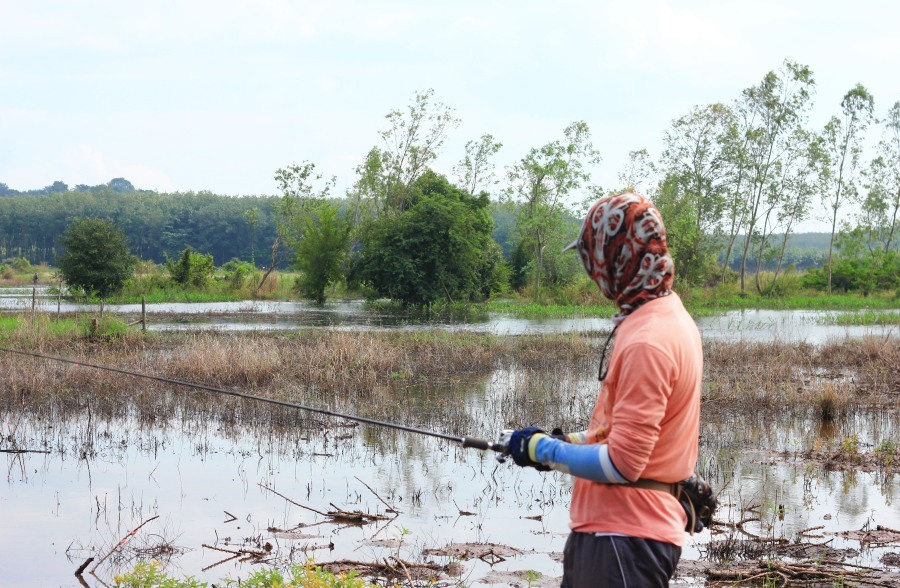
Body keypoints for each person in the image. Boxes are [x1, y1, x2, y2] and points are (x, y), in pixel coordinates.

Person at [507, 191, 703, 587]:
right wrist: (562, 441)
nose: (590, 272)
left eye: (592, 258)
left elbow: (623, 464)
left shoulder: (649, 340)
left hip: (624, 540)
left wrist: (542, 450)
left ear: (616, 257)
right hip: (615, 536)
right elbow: (620, 436)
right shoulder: (664, 315)